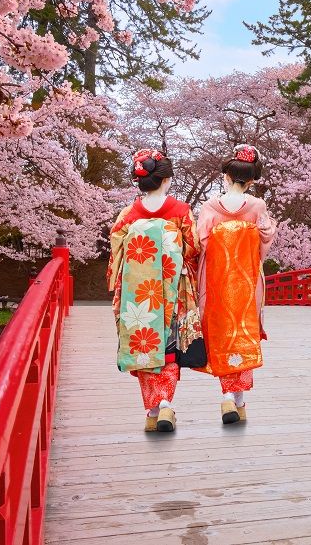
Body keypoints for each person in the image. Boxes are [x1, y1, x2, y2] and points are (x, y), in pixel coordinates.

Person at [107, 149, 204, 432]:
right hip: (172, 288)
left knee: (144, 343)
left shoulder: (127, 215)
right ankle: (165, 405)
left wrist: (118, 283)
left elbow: (116, 253)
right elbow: (193, 248)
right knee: (169, 345)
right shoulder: (180, 212)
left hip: (137, 292)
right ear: (167, 180)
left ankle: (153, 409)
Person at [195, 144, 277, 424]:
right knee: (244, 330)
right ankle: (235, 397)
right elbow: (264, 240)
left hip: (216, 280)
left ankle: (231, 397)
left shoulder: (209, 206)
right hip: (246, 278)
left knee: (222, 331)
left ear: (226, 176)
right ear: (252, 179)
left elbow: (201, 243)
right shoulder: (257, 206)